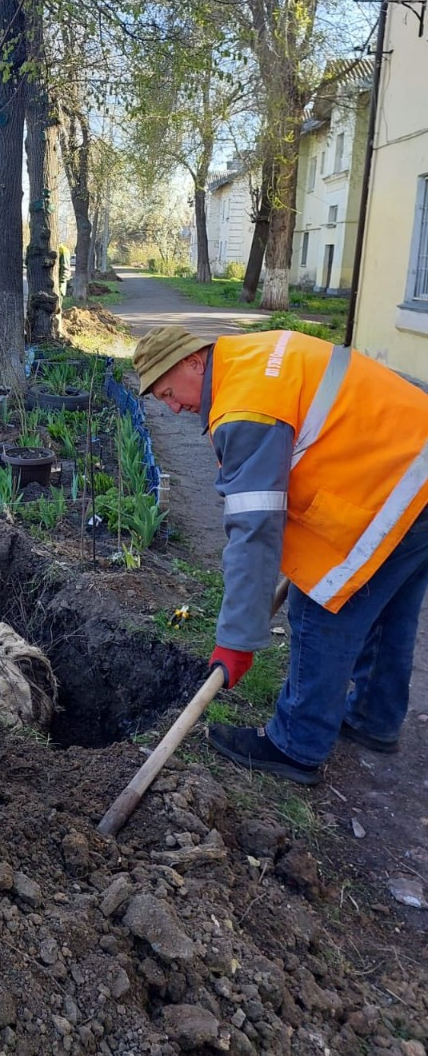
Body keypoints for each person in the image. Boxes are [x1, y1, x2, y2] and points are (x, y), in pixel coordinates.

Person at [133, 323, 428, 785]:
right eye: (162, 401)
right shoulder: (250, 358)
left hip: (394, 482)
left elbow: (254, 532)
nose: (173, 408)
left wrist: (236, 640)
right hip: (414, 465)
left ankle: (296, 744)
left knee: (321, 598)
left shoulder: (245, 407)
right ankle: (375, 717)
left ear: (194, 360)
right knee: (391, 602)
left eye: (169, 392)